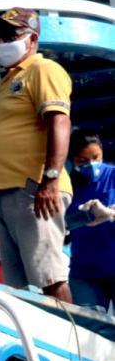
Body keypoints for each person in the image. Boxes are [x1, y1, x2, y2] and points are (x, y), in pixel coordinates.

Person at [0, 6, 73, 302]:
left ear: (32, 39)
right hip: (7, 197)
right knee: (23, 293)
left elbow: (59, 120)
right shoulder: (9, 81)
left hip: (32, 189)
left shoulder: (43, 69)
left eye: (9, 35)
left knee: (49, 278)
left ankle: (72, 345)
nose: (1, 42)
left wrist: (50, 179)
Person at [66, 131, 115, 311]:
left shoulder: (112, 176)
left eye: (96, 157)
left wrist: (109, 213)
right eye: (82, 161)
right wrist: (78, 218)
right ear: (71, 160)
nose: (91, 165)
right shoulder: (66, 185)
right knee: (88, 327)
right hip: (85, 271)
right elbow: (59, 226)